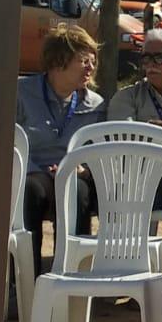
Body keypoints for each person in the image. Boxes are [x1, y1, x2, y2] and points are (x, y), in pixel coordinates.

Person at [15, 25, 105, 277]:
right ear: (58, 61)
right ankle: (25, 281)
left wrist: (83, 170)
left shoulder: (95, 104)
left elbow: (98, 150)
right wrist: (32, 170)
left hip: (74, 172)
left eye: (93, 61)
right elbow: (10, 142)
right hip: (31, 170)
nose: (90, 67)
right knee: (30, 190)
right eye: (83, 60)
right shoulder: (21, 93)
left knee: (77, 190)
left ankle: (72, 274)